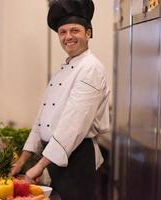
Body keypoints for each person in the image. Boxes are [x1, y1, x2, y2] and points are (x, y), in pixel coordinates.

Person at [11, 0, 110, 199]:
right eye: (62, 32)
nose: (68, 37)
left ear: (88, 33)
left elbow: (72, 125)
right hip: (55, 158)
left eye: (75, 30)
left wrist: (38, 166)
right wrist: (22, 161)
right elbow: (41, 119)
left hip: (77, 159)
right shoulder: (63, 69)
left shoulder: (91, 68)